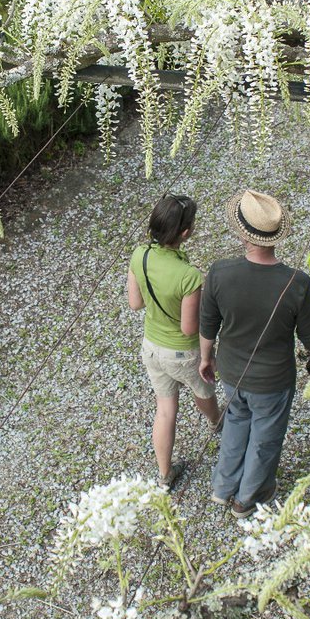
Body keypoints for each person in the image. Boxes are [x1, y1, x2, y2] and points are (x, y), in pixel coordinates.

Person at [199, 189, 310, 519]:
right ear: (275, 237)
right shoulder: (296, 282)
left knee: (236, 422)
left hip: (231, 372)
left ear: (242, 233)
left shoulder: (219, 272)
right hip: (272, 380)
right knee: (265, 438)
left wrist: (205, 358)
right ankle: (248, 497)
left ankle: (223, 488)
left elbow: (208, 323)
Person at [128, 194, 222, 490]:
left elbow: (134, 303)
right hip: (182, 353)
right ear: (185, 233)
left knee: (166, 410)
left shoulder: (139, 255)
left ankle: (165, 474)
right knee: (202, 388)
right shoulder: (189, 276)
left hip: (151, 348)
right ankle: (217, 421)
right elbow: (188, 327)